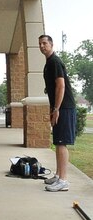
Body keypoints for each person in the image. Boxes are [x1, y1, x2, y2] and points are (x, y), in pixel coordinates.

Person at [39, 34, 77, 192]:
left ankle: (63, 180)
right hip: (59, 107)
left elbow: (60, 86)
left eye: (45, 43)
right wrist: (52, 109)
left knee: (61, 143)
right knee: (58, 142)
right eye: (40, 44)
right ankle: (58, 175)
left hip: (65, 108)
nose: (42, 46)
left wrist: (56, 109)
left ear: (51, 44)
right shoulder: (49, 63)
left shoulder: (55, 61)